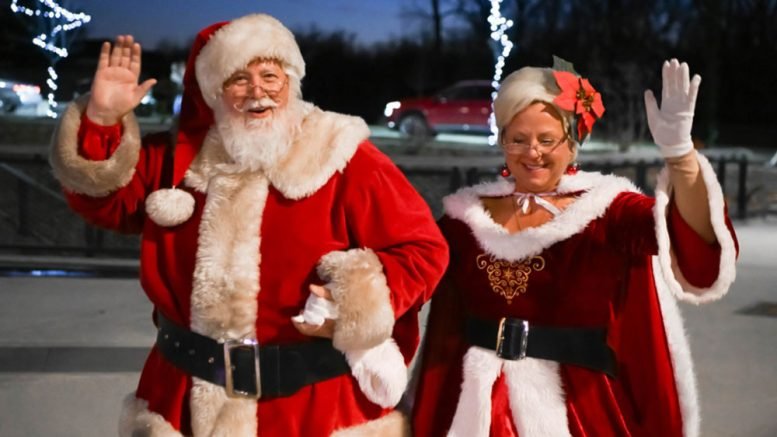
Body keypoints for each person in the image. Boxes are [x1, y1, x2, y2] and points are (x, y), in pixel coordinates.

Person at [49, 14, 448, 436]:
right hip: (183, 402)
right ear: (213, 92)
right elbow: (104, 201)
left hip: (312, 409)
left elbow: (423, 248)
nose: (258, 91)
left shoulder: (340, 153)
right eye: (238, 79)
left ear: (290, 81)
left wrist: (356, 301)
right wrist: (101, 120)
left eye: (270, 75)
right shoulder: (175, 157)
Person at [411, 59, 738, 436]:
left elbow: (689, 238)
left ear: (572, 143)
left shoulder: (607, 213)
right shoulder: (464, 219)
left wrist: (681, 159)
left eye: (546, 139)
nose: (532, 152)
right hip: (474, 409)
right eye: (518, 139)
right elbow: (410, 275)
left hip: (578, 411)